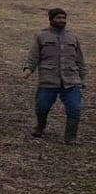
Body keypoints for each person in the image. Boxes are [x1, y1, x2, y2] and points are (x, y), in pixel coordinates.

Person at [23, 8, 83, 143]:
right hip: (48, 80)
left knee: (75, 108)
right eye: (59, 18)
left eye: (64, 18)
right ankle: (40, 127)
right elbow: (33, 56)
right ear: (51, 19)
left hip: (71, 81)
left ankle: (70, 137)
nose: (62, 21)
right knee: (41, 107)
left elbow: (80, 60)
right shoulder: (41, 36)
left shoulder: (73, 37)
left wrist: (82, 78)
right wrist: (28, 70)